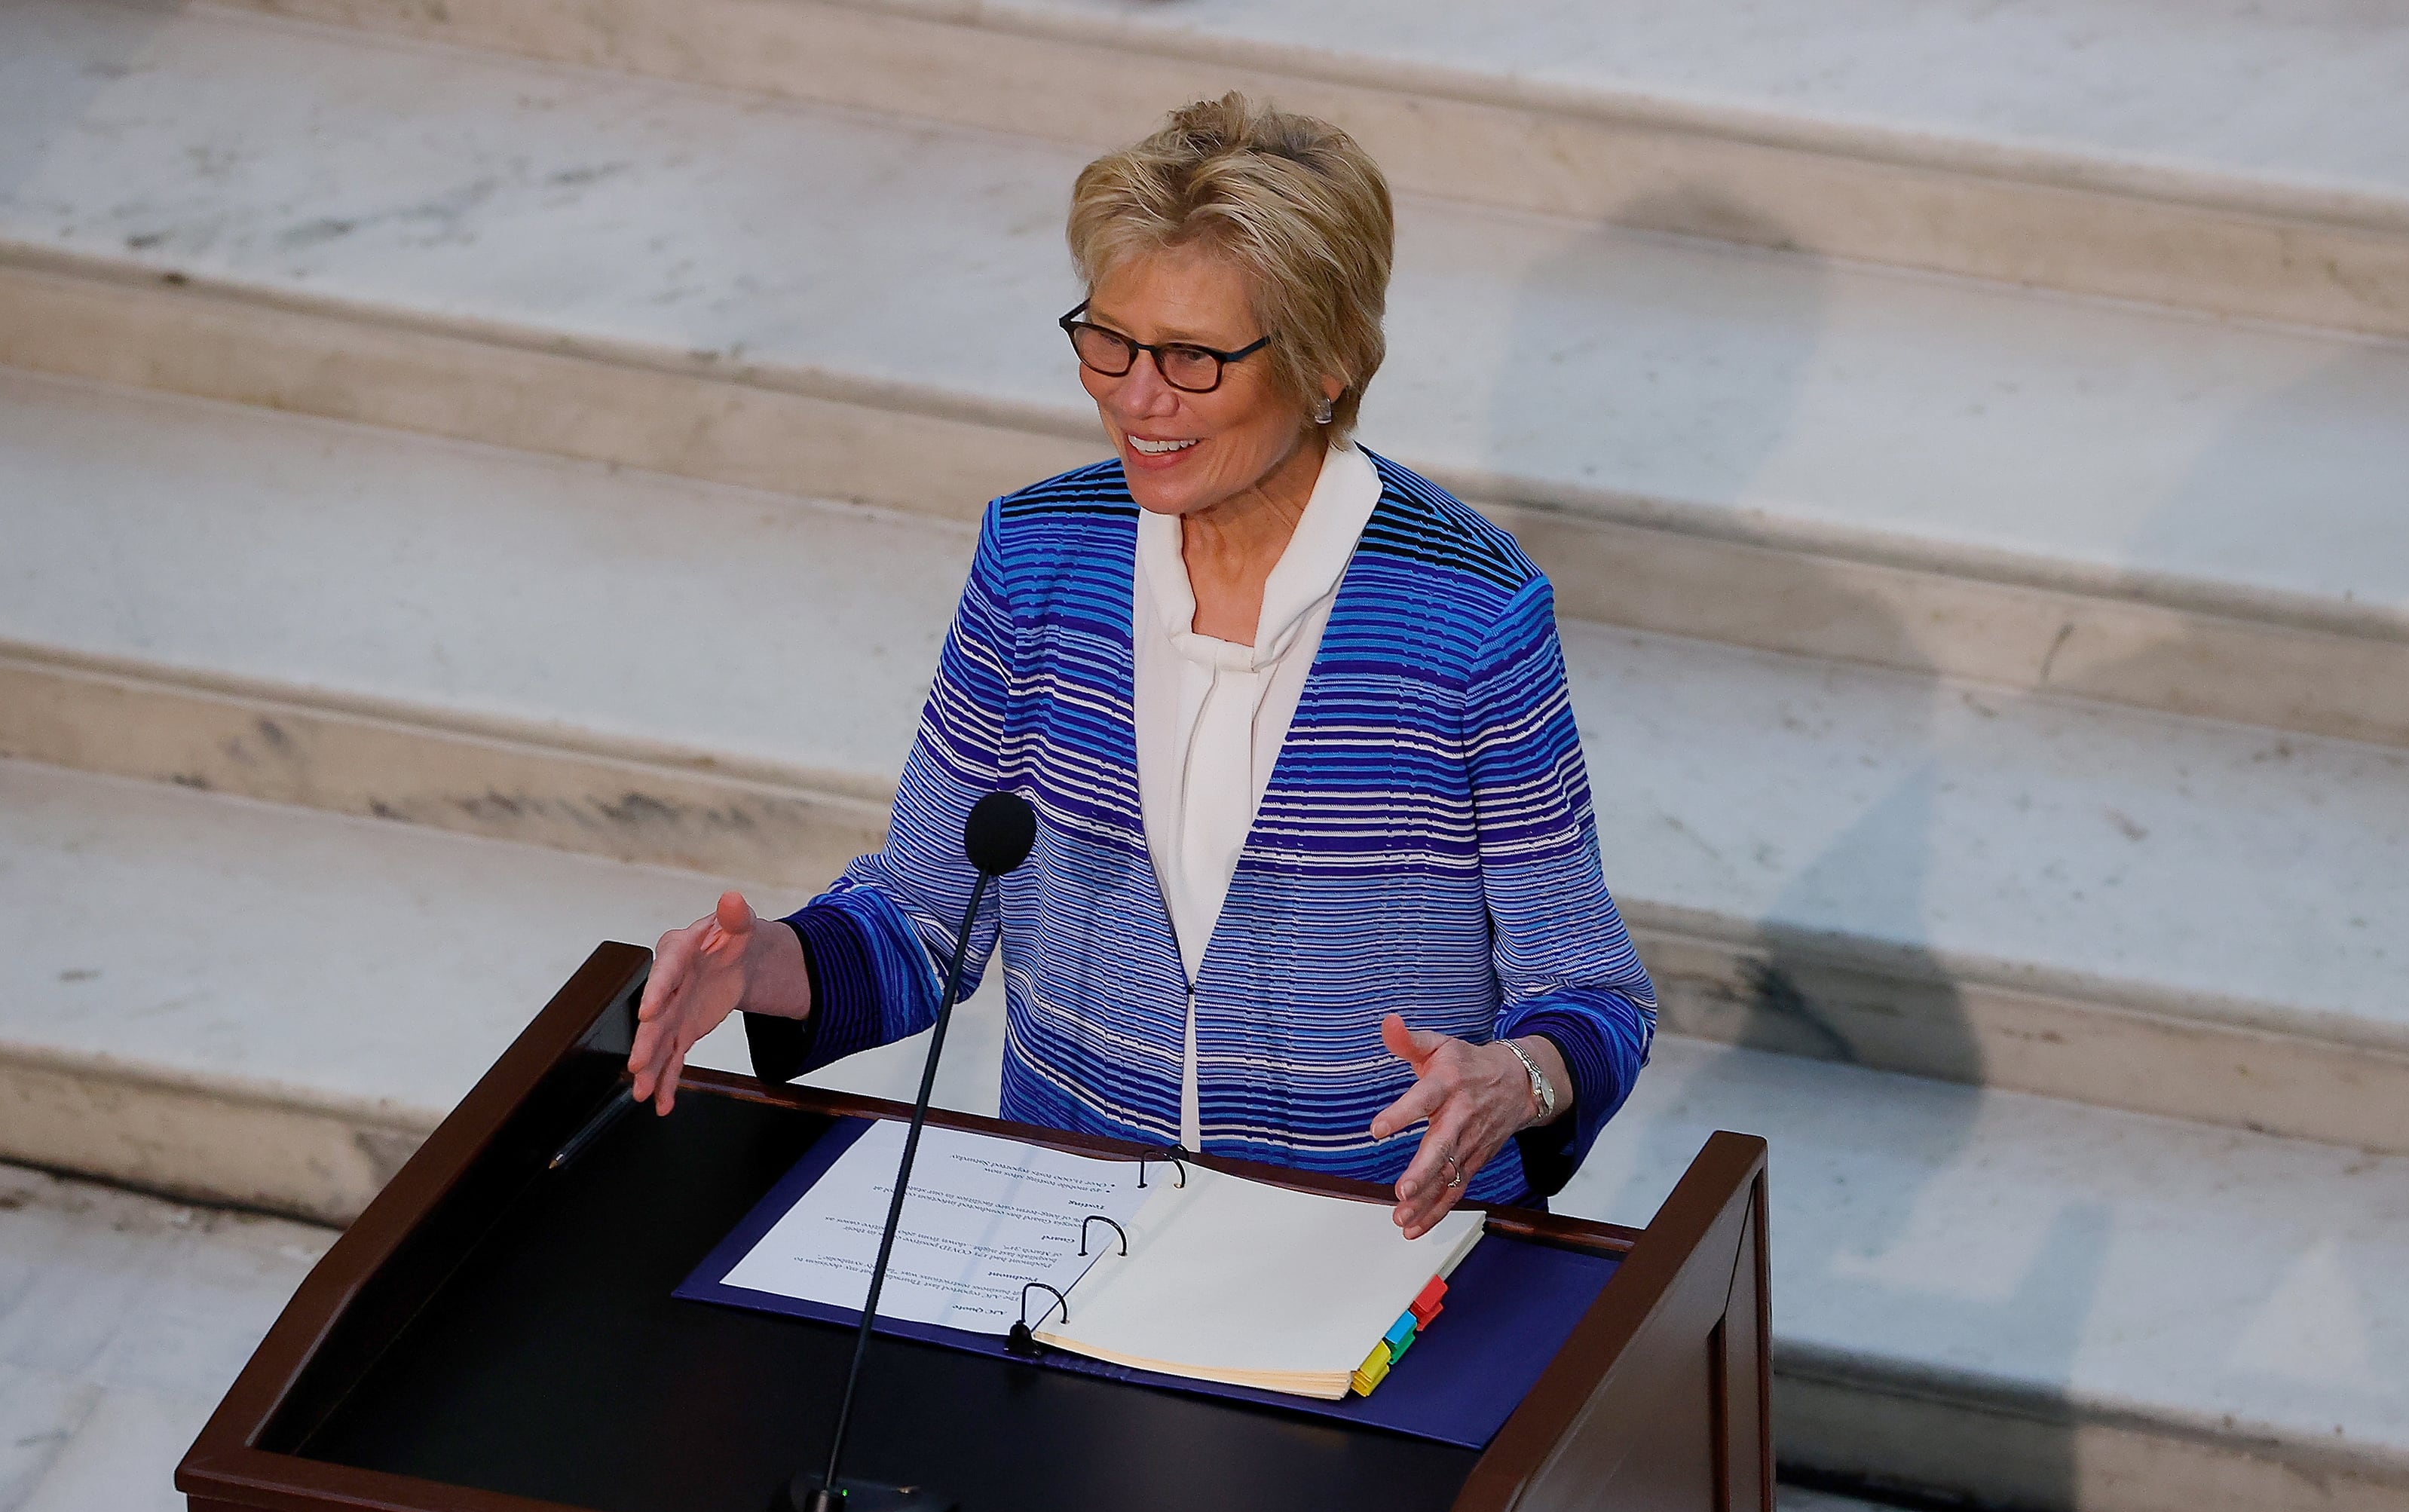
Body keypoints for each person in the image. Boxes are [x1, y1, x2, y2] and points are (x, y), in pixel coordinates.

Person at [626, 94, 1654, 1239]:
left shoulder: (1464, 609)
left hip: (1363, 1250)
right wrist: (761, 964)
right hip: (1070, 1236)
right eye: (1108, 340)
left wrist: (1519, 1078)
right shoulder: (1040, 560)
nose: (1134, 395)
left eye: (1193, 359)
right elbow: (925, 917)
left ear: (1329, 365)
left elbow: (1595, 996)